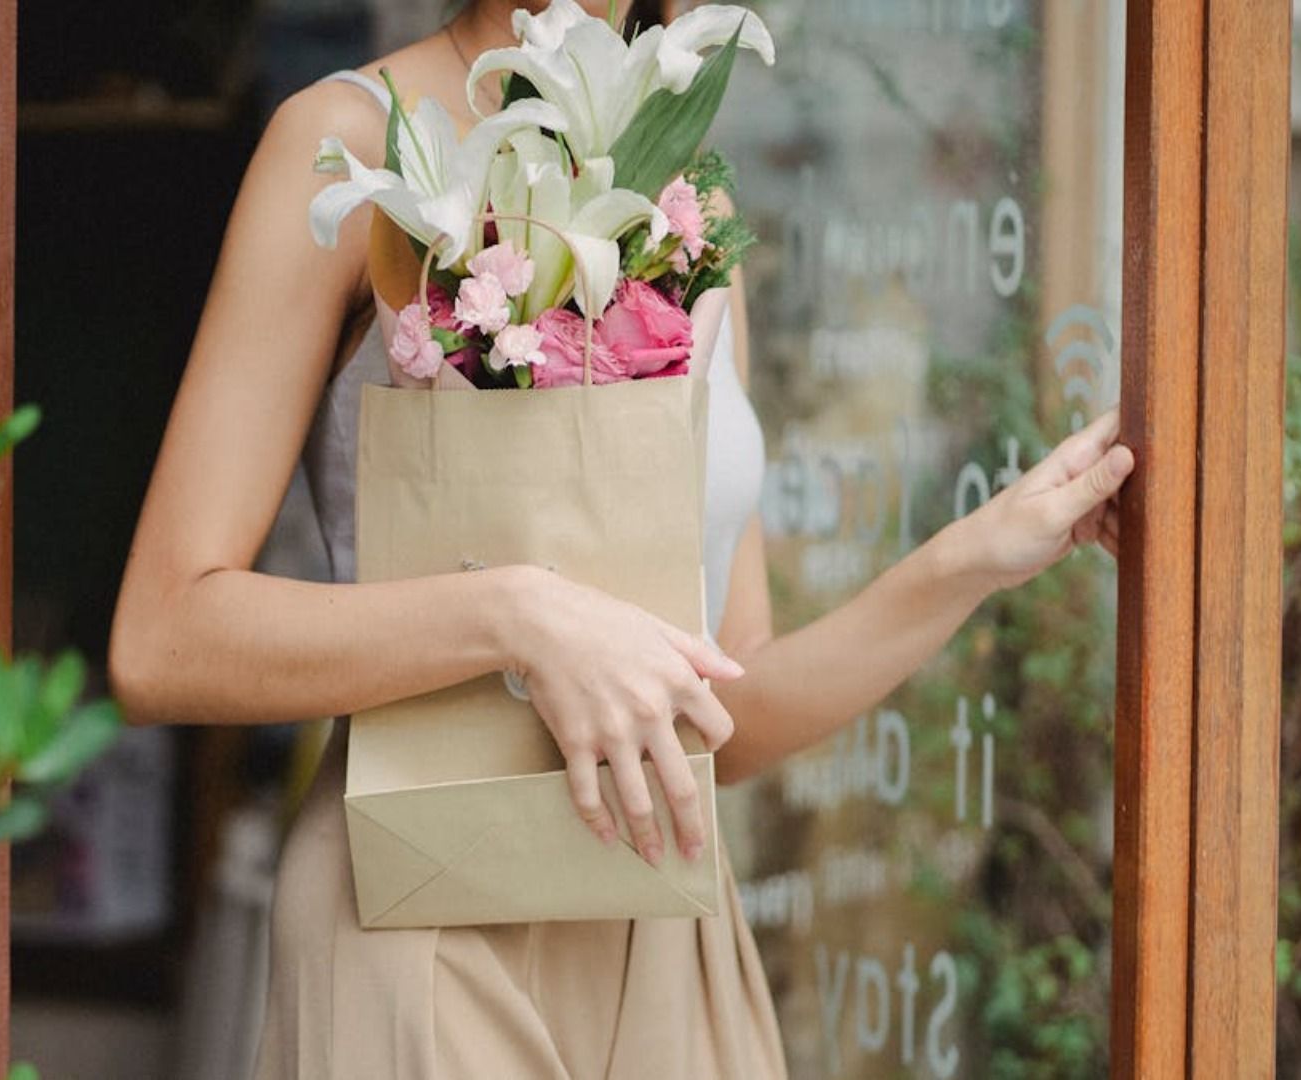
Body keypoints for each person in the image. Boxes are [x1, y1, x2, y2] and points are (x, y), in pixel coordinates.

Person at [109, 1, 1133, 1075]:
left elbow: (725, 715)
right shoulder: (349, 144)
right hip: (425, 912)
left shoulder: (687, 193)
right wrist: (515, 616)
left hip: (666, 915)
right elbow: (163, 637)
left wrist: (970, 559)